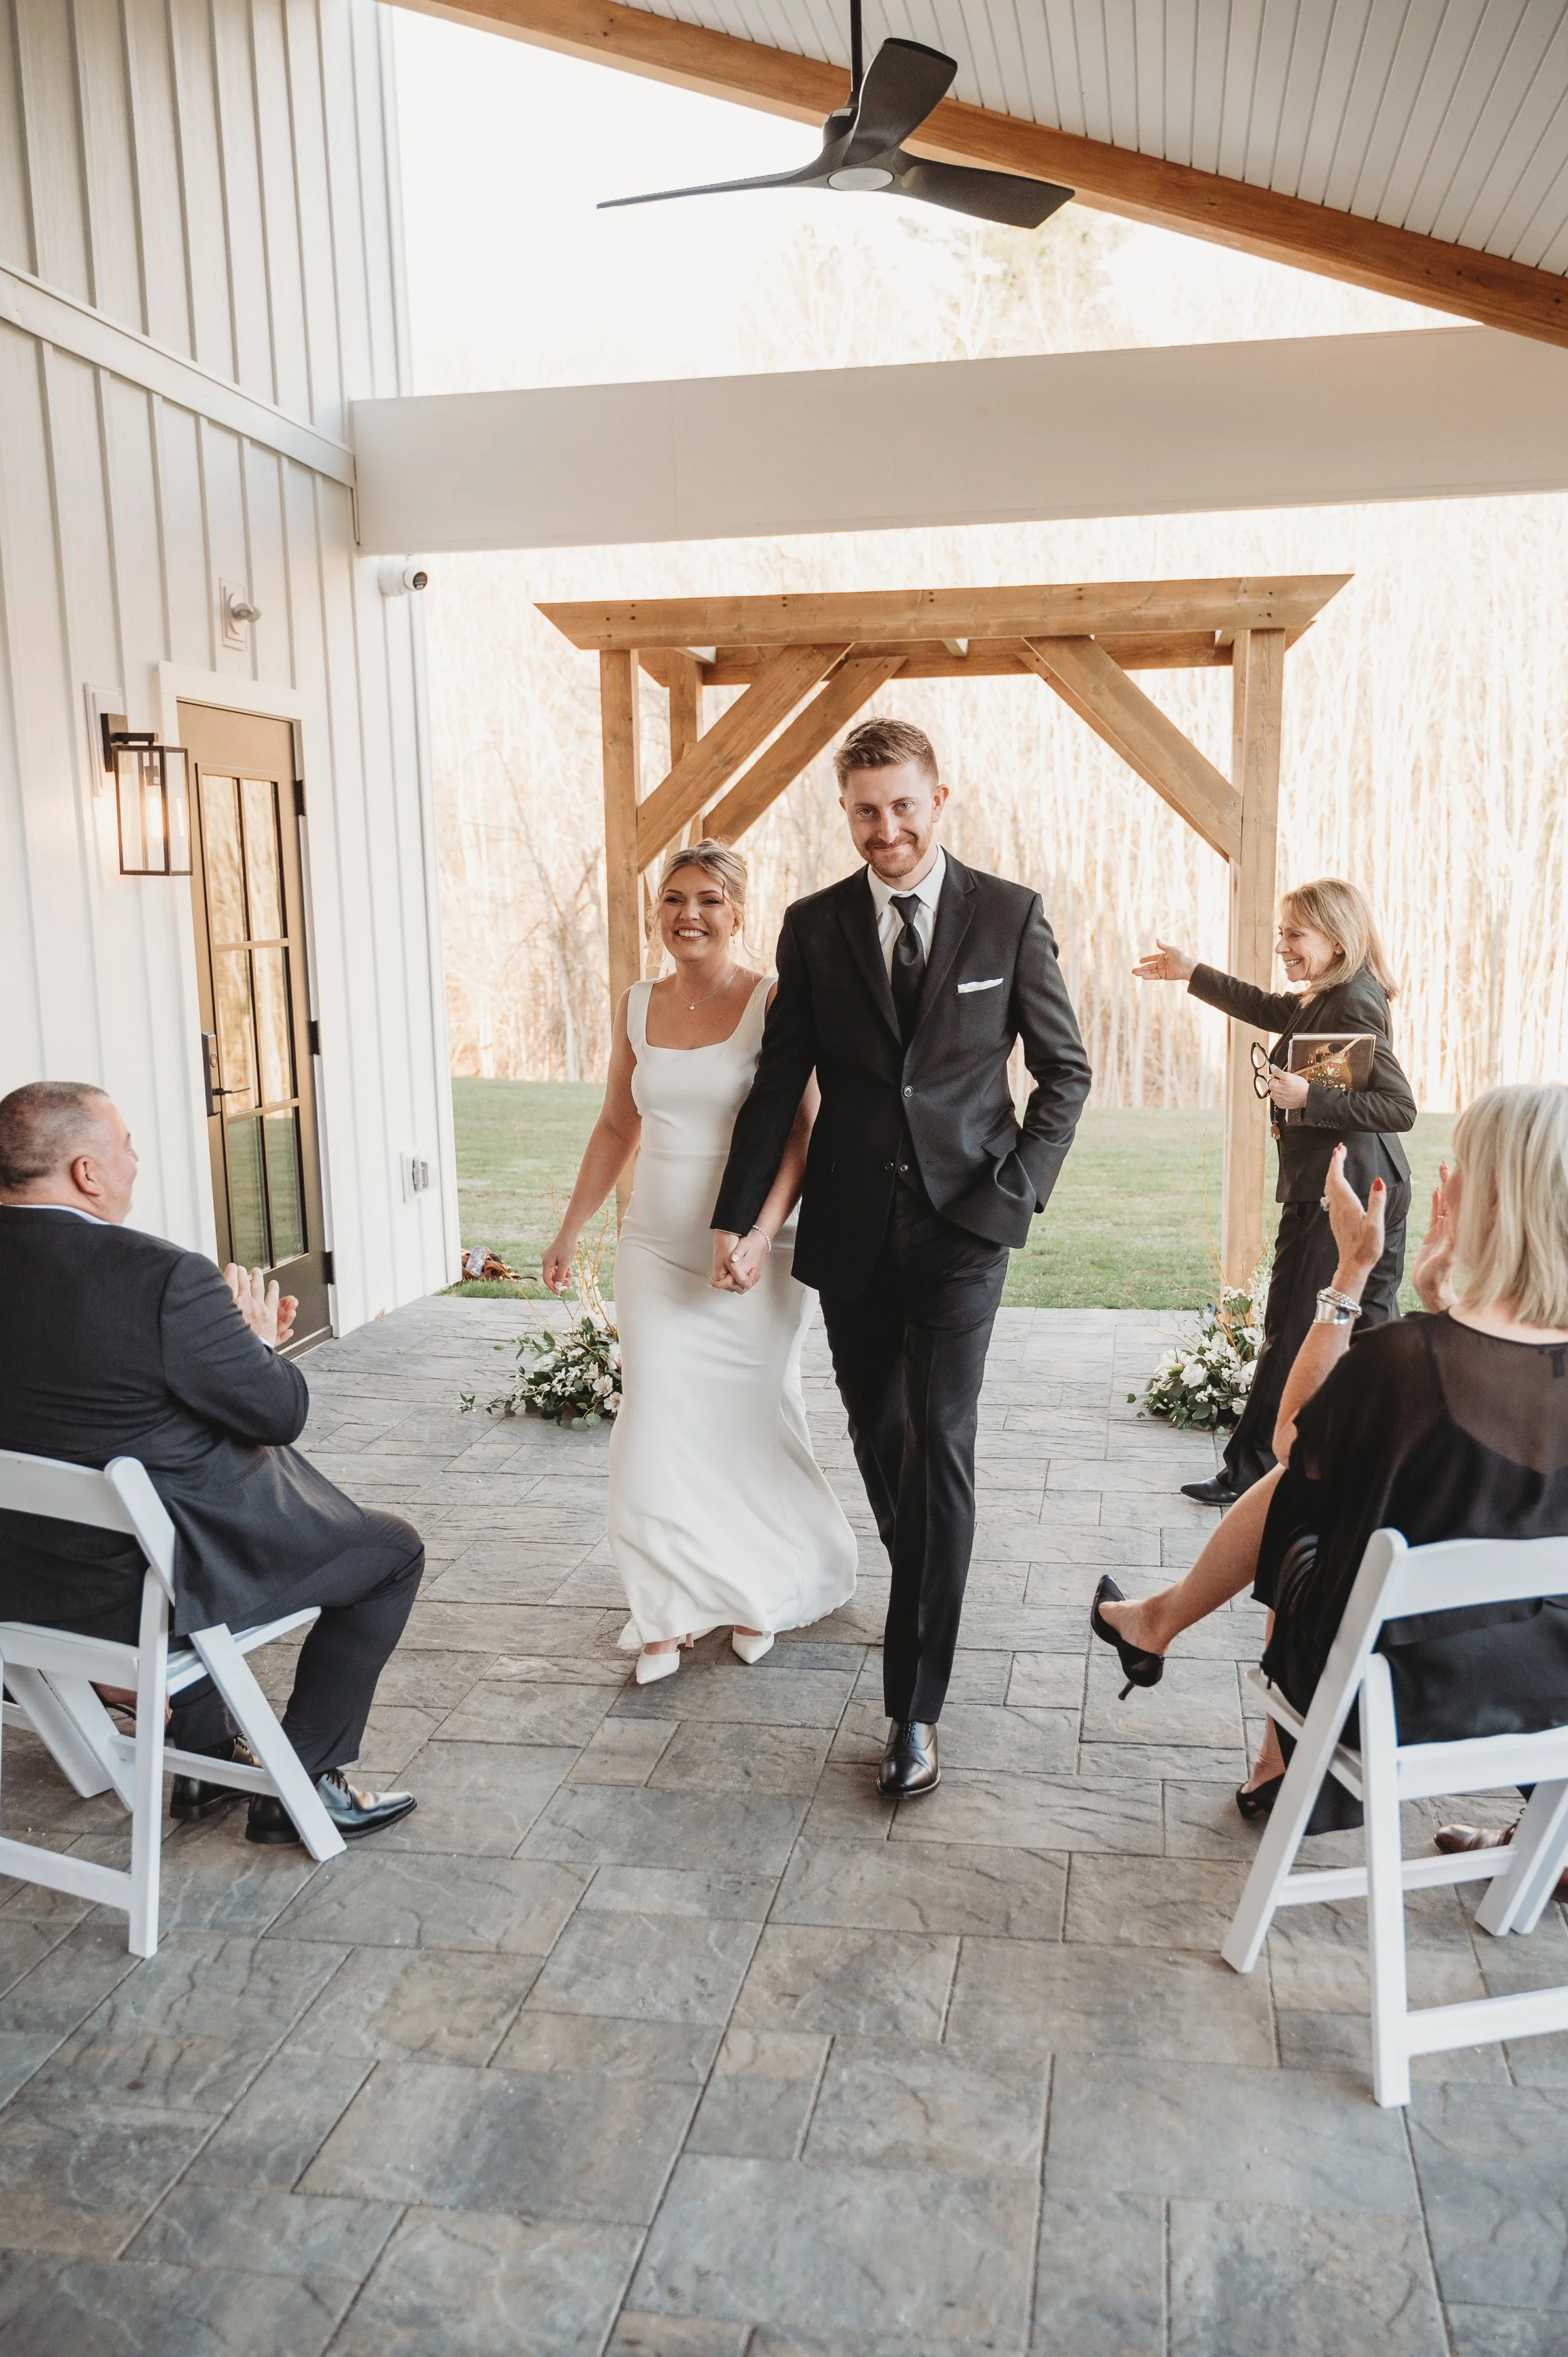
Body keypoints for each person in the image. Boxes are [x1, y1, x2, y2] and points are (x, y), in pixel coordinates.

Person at [712, 717, 1092, 1798]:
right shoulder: (814, 926)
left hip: (965, 1230)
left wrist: (1010, 1196)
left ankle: (913, 1709)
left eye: (903, 805)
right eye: (866, 810)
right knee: (881, 1436)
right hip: (846, 1228)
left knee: (939, 1445)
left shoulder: (1009, 916)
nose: (887, 828)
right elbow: (781, 1085)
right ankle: (927, 1571)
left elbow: (1066, 1072)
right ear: (848, 813)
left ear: (939, 799)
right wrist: (740, 1220)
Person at [1091, 1084, 1568, 1832]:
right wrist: (1438, 1300)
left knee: (1305, 1488)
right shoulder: (1456, 1365)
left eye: (1462, 1164)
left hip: (1397, 1691)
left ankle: (1271, 1750)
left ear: (1501, 1200)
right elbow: (1502, 1431)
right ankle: (1551, 1835)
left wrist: (1349, 1277)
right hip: (1547, 1693)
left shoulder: (1401, 1365)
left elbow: (1289, 1440)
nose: (1441, 1180)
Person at [0, 1081, 420, 1843]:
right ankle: (304, 1781)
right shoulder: (159, 1277)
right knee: (390, 1553)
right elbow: (278, 1413)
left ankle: (198, 1761)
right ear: (86, 1172)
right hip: (139, 1588)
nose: (135, 1160)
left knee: (148, 1519)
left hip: (18, 1579)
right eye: (126, 1145)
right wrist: (252, 1340)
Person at [542, 842, 856, 1686]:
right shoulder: (637, 1005)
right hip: (654, 1246)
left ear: (739, 910)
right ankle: (664, 1611)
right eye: (675, 898)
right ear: (658, 913)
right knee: (652, 1426)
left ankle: (763, 1587)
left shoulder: (774, 1001)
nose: (690, 914)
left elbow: (802, 1132)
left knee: (747, 1425)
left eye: (710, 899)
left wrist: (758, 1234)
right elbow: (617, 1125)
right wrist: (572, 1229)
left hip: (754, 1252)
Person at [1134, 877, 1415, 1508]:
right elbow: (1269, 1006)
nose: (1281, 945)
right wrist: (1190, 971)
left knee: (1293, 1324)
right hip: (1346, 1188)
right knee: (1361, 1330)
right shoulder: (1326, 995)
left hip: (1342, 1194)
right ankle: (1381, 1463)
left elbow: (1399, 1106)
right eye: (1280, 933)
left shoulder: (1355, 1002)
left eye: (1294, 934)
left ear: (1336, 941)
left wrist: (1306, 1096)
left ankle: (1250, 1470)